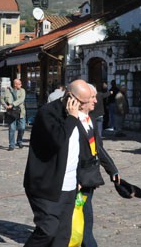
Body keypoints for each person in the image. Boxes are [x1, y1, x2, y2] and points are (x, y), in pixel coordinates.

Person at [23, 79, 88, 246]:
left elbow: (80, 150)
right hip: (46, 184)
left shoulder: (81, 117)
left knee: (62, 236)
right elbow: (58, 140)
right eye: (82, 102)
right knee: (48, 229)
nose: (84, 106)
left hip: (69, 186)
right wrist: (73, 118)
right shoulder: (48, 113)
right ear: (69, 96)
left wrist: (79, 178)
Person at [80, 84, 120, 247]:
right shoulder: (71, 122)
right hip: (78, 180)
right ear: (81, 100)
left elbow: (98, 148)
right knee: (84, 219)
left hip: (89, 177)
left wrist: (112, 169)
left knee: (85, 219)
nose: (96, 101)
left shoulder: (89, 119)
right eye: (93, 98)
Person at [5, 79, 26, 150]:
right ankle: (11, 145)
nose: (21, 85)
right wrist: (9, 105)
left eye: (21, 83)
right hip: (12, 112)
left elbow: (22, 99)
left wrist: (13, 104)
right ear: (15, 84)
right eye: (19, 84)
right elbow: (6, 99)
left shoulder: (22, 90)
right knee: (12, 128)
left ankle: (19, 141)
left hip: (21, 112)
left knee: (22, 128)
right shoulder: (8, 91)